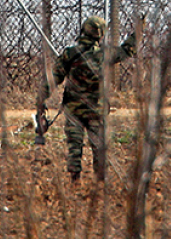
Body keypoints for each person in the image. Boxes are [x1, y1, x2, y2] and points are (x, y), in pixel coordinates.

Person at [37, 17, 136, 182]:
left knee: (74, 147)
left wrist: (40, 100)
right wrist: (137, 33)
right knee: (99, 146)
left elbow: (53, 79)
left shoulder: (70, 54)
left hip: (73, 110)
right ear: (100, 35)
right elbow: (127, 50)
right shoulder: (104, 55)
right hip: (96, 110)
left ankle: (74, 180)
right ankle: (100, 183)